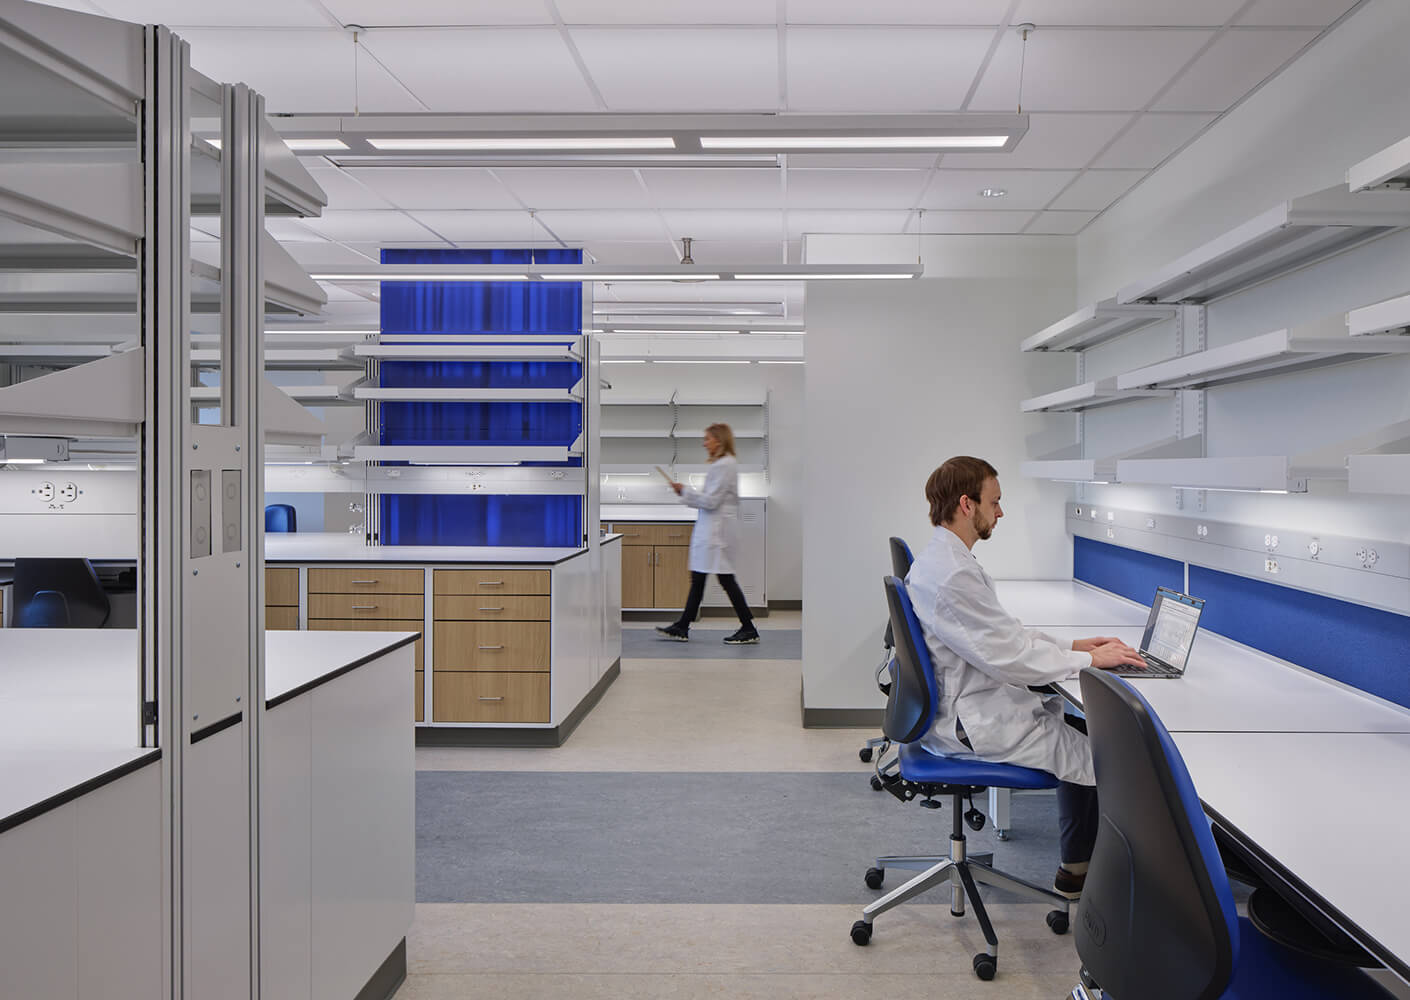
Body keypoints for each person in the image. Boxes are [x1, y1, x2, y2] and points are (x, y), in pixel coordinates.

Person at [905, 455, 1144, 899]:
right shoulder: (953, 573)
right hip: (972, 722)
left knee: (1081, 729)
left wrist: (1074, 647)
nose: (1000, 512)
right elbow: (1010, 658)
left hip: (966, 706)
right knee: (1107, 759)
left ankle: (1078, 866)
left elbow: (1003, 634)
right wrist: (1092, 663)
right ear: (965, 504)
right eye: (994, 502)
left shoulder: (942, 559)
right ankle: (1089, 878)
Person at [655, 423, 759, 645]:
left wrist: (685, 491)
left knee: (723, 579)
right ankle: (683, 625)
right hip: (713, 529)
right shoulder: (723, 465)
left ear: (719, 441)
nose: (704, 443)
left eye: (707, 439)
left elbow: (712, 501)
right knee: (701, 578)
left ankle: (748, 627)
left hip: (716, 532)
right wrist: (687, 493)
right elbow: (710, 499)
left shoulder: (725, 465)